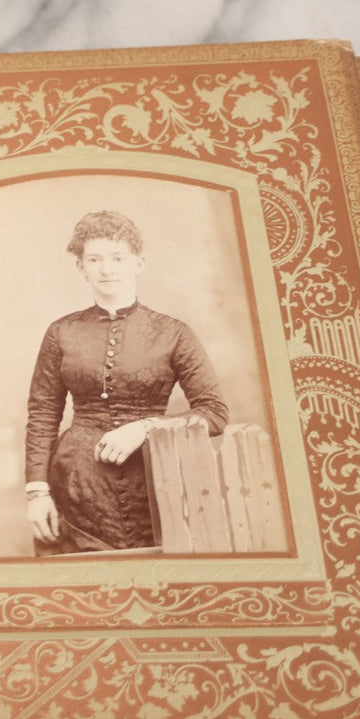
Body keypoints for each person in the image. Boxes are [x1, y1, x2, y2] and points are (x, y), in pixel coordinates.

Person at [24, 210, 227, 554]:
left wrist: (146, 428)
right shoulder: (62, 332)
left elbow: (214, 412)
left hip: (158, 483)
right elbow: (43, 414)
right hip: (76, 488)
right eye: (95, 259)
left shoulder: (173, 333)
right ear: (81, 267)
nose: (107, 269)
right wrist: (37, 492)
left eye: (117, 258)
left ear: (138, 263)